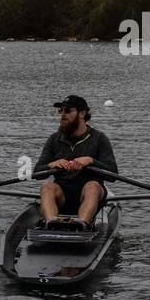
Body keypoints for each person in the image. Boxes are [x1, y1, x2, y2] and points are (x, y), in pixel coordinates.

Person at [33, 95, 117, 229]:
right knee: (47, 186)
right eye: (61, 111)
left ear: (82, 113)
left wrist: (91, 161)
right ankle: (51, 224)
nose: (62, 115)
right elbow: (37, 173)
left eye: (67, 111)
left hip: (90, 195)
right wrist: (51, 165)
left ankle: (82, 225)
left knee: (92, 186)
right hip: (62, 196)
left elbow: (113, 174)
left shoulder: (99, 139)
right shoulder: (54, 139)